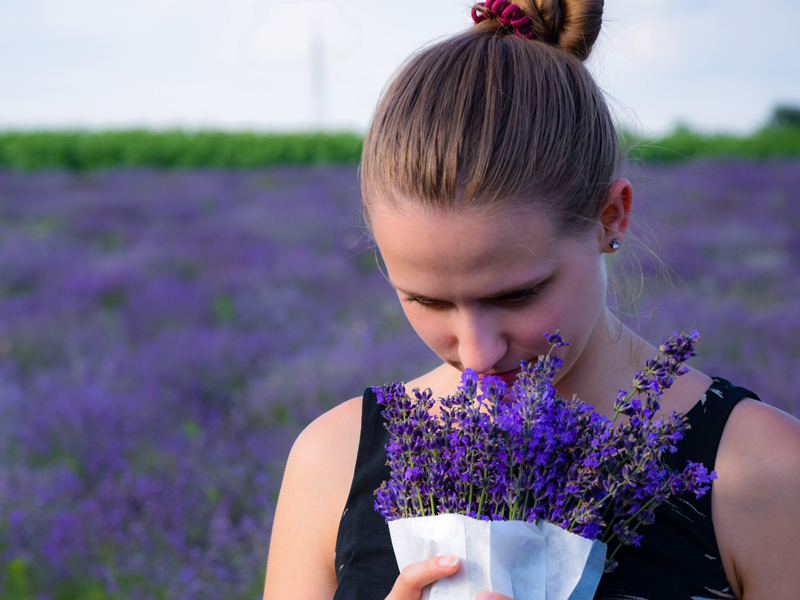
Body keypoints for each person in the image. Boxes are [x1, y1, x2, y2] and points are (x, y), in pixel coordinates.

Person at [263, 1, 800, 598]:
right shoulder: (332, 462)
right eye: (427, 301)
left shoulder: (768, 472)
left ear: (610, 217)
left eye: (517, 295)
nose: (477, 355)